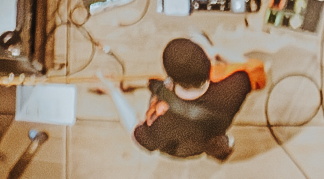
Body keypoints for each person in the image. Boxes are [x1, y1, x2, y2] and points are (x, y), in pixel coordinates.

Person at [93, 36, 260, 161]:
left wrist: (113, 91)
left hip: (182, 147)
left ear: (170, 76)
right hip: (208, 133)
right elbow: (254, 70)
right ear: (207, 63)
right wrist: (215, 50)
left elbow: (136, 134)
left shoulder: (163, 126)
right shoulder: (238, 84)